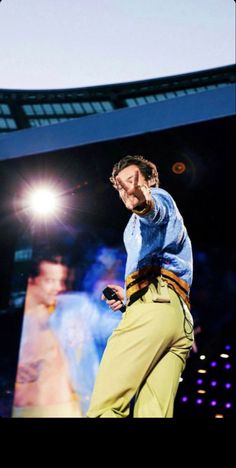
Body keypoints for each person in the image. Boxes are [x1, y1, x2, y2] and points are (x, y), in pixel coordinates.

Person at [87, 154, 194, 418]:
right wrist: (130, 297)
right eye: (122, 185)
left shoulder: (160, 198)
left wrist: (144, 203)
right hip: (177, 320)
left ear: (151, 180)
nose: (128, 189)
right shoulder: (134, 226)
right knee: (153, 414)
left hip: (154, 311)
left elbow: (154, 211)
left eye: (133, 181)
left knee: (106, 407)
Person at [12, 250, 82, 417]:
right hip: (20, 410)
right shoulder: (14, 319)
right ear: (30, 281)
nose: (59, 288)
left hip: (64, 409)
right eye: (50, 281)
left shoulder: (66, 314)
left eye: (61, 281)